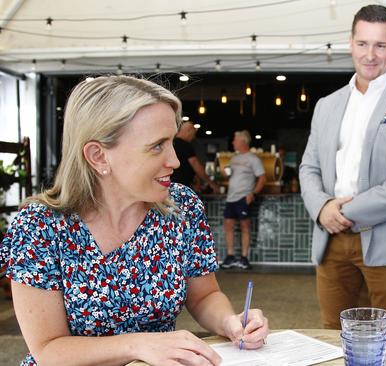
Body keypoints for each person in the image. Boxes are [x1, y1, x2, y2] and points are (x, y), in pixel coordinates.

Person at [0, 76, 269, 366]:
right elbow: (48, 350)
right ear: (98, 156)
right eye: (157, 146)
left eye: (173, 142)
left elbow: (204, 296)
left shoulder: (182, 208)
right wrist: (137, 345)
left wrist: (230, 322)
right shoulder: (39, 226)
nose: (175, 161)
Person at [299, 4, 386, 329]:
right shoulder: (327, 104)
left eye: (380, 45)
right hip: (330, 238)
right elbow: (309, 167)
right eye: (362, 44)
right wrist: (322, 208)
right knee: (334, 335)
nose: (370, 54)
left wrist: (348, 210)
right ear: (350, 43)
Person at [221, 130, 266, 270]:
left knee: (245, 226)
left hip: (243, 197)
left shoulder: (253, 159)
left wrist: (253, 193)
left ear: (242, 141)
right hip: (231, 197)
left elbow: (262, 178)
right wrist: (226, 172)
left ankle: (244, 258)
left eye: (235, 140)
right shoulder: (234, 159)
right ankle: (230, 256)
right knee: (228, 225)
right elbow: (232, 176)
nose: (233, 142)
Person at [171, 121, 221, 193]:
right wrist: (212, 183)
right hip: (181, 189)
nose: (193, 137)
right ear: (188, 131)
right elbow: (196, 166)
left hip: (170, 186)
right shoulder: (186, 146)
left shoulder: (172, 144)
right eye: (193, 134)